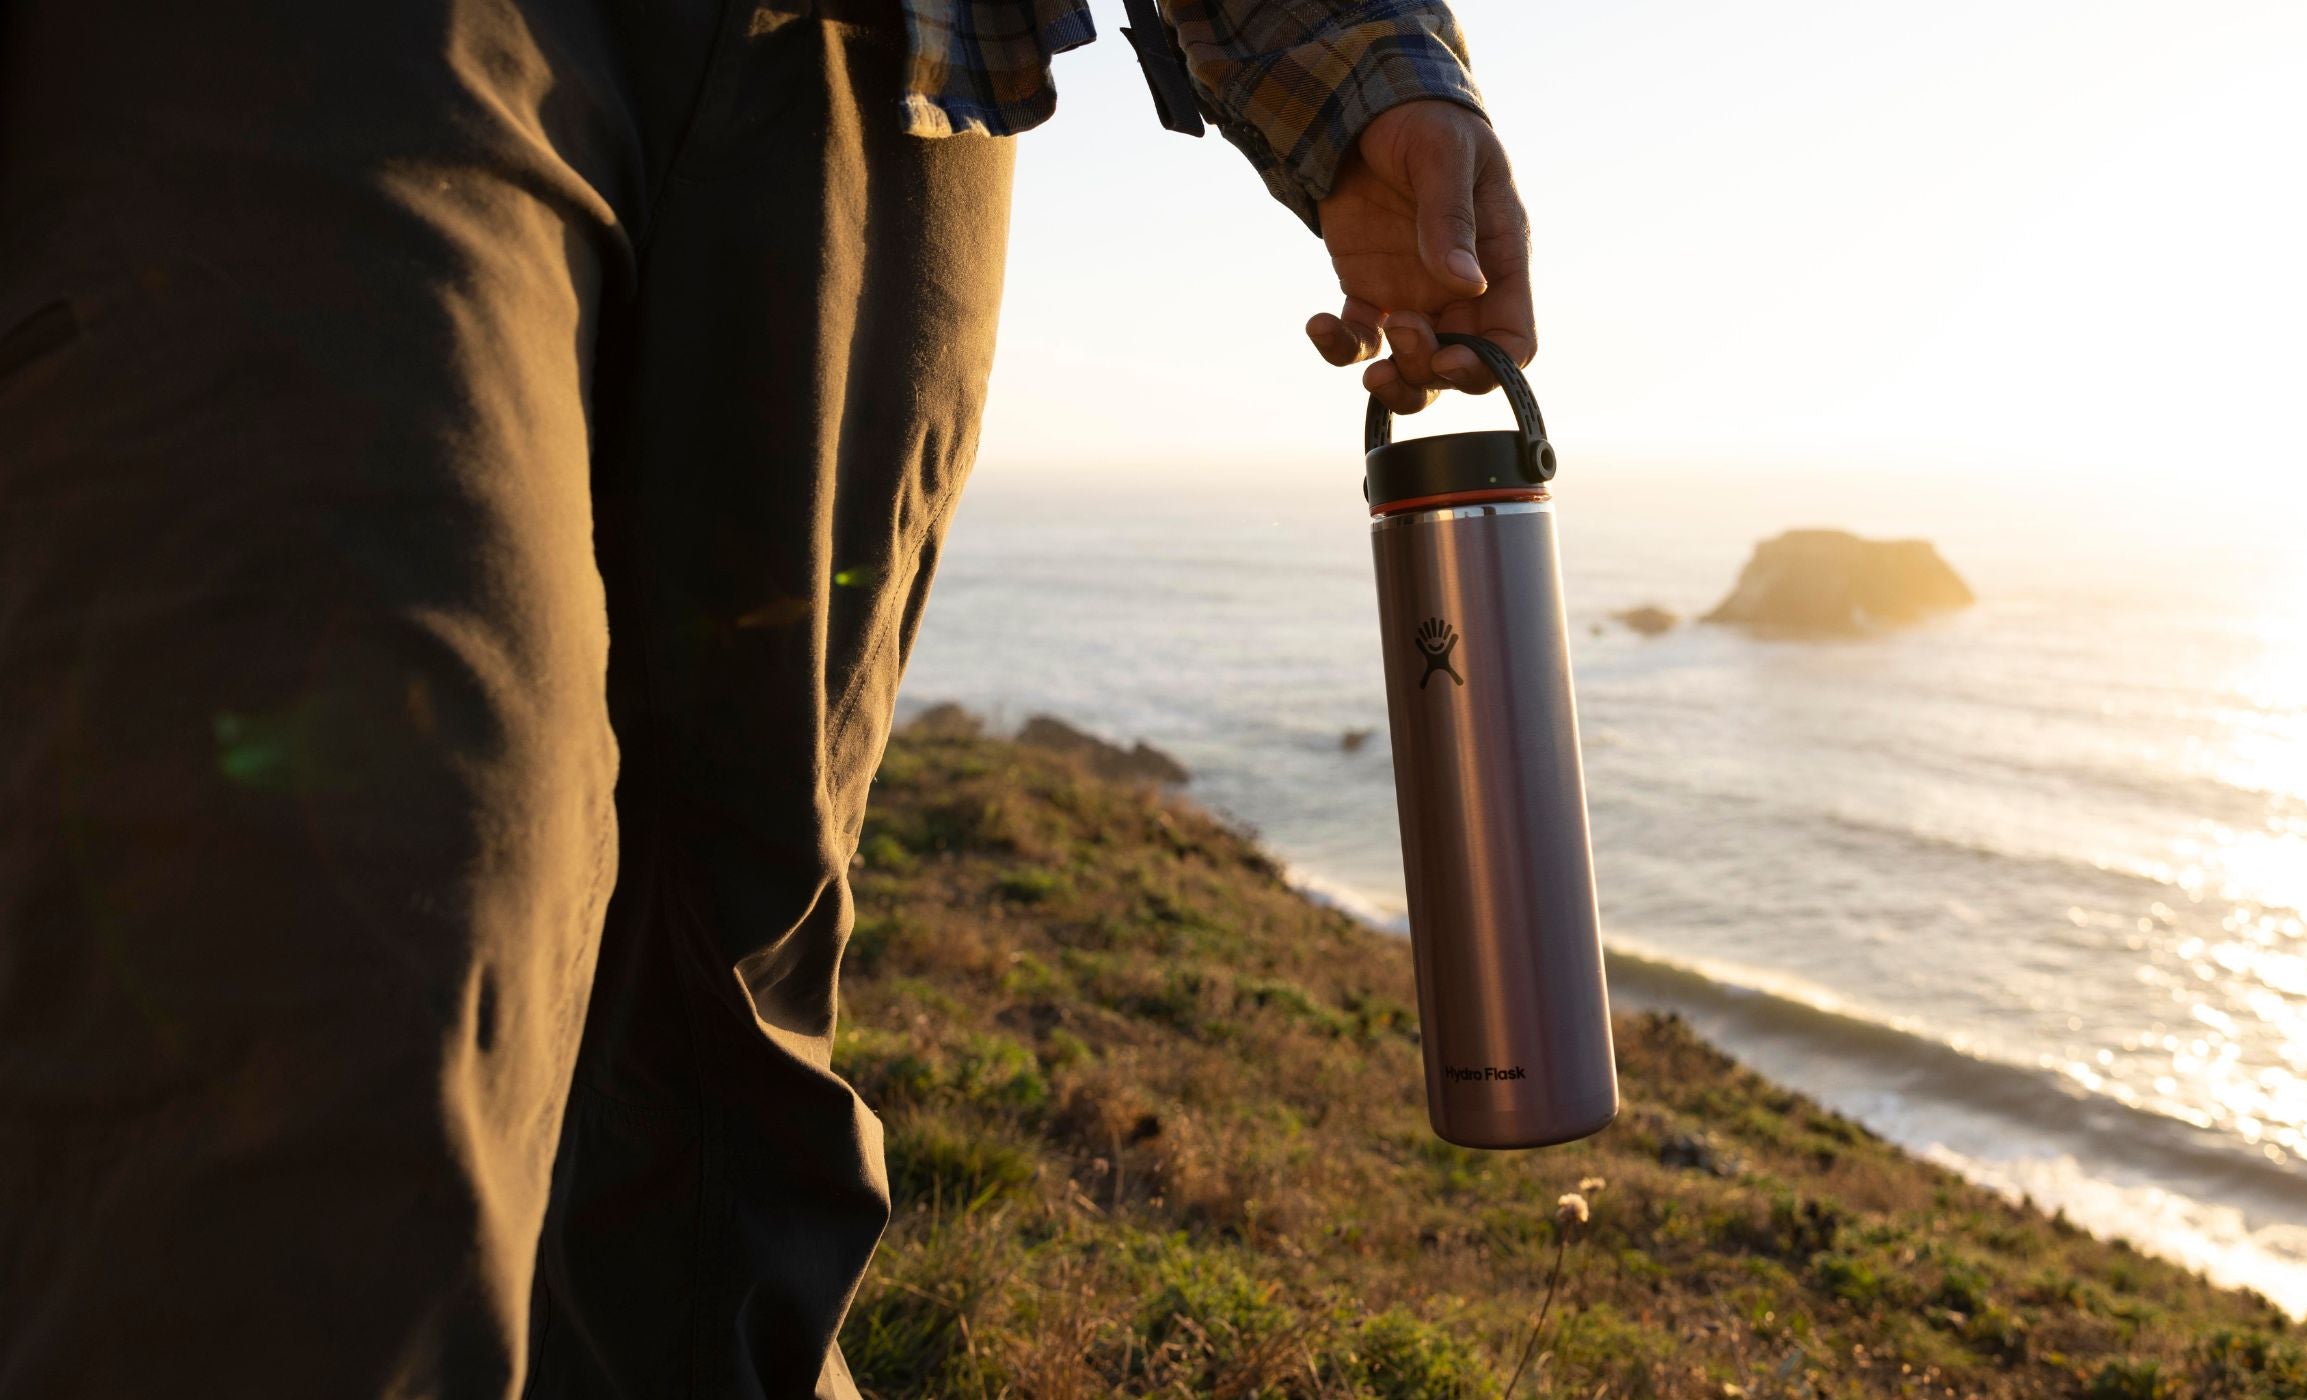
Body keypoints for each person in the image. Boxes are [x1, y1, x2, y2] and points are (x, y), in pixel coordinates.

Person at [0, 0, 1533, 1393]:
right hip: (325, 53)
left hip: (889, 64)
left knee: (719, 1064)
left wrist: (1355, 60)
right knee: (332, 966)